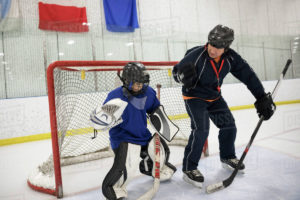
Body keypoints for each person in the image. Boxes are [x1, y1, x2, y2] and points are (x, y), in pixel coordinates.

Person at [172, 24, 276, 188]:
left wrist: (261, 97)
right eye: (211, 44)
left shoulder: (231, 58)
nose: (212, 50)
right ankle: (189, 168)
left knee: (228, 125)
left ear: (226, 47)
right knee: (201, 130)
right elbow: (176, 71)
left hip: (214, 96)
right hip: (194, 97)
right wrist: (181, 77)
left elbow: (248, 75)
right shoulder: (197, 55)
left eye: (218, 47)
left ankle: (227, 156)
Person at [90, 62, 176, 200]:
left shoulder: (148, 92)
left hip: (142, 134)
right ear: (126, 81)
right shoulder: (115, 96)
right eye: (136, 83)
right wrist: (101, 120)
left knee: (161, 152)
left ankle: (151, 168)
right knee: (128, 168)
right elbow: (104, 118)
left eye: (142, 82)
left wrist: (165, 128)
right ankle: (114, 188)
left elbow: (155, 110)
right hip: (123, 138)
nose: (139, 86)